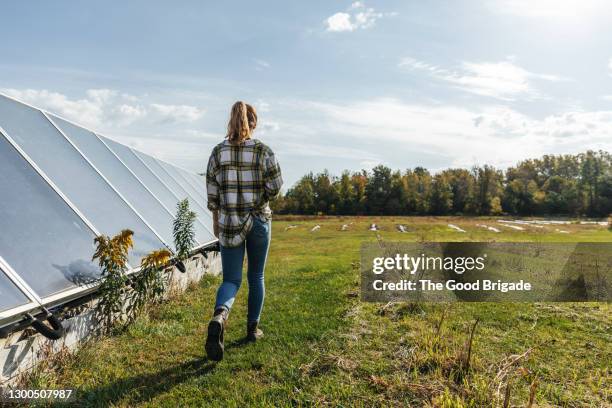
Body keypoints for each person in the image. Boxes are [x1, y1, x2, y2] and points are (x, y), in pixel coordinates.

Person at [204, 101, 283, 361]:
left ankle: (220, 316)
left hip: (229, 221)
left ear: (231, 121)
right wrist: (259, 197)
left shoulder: (217, 152)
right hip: (259, 220)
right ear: (253, 123)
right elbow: (276, 186)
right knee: (256, 275)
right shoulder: (263, 151)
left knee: (231, 280)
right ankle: (252, 329)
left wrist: (217, 220)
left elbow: (212, 193)